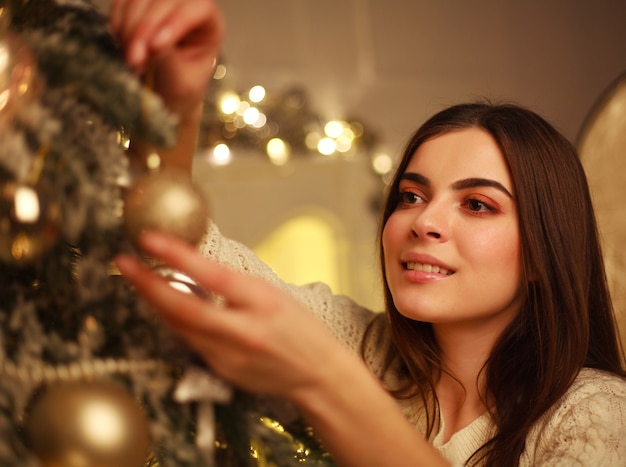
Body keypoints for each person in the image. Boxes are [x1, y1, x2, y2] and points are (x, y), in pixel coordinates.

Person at [110, 1, 626, 465]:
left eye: (476, 204)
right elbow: (175, 250)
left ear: (544, 251)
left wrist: (325, 383)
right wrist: (178, 96)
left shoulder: (596, 415)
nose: (423, 221)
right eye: (411, 195)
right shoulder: (367, 349)